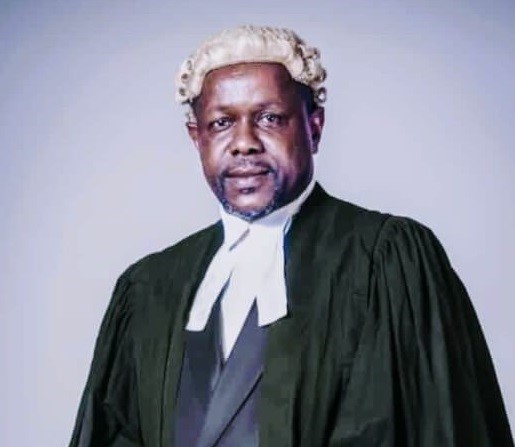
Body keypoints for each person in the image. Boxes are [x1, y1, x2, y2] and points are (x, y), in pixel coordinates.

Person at [69, 25, 513, 447]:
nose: (244, 142)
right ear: (196, 138)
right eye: (221, 123)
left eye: (269, 118)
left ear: (314, 127)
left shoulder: (386, 259)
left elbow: (445, 429)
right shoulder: (149, 286)